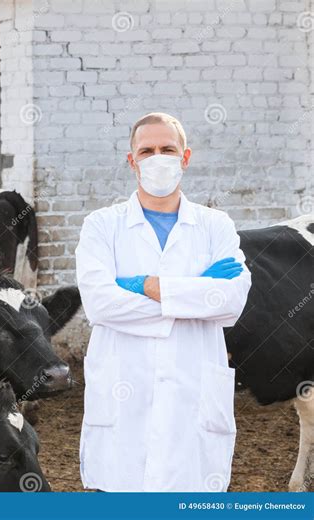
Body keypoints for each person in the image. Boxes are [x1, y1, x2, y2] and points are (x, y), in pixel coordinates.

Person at [75, 112, 252, 492]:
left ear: (185, 157)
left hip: (194, 405)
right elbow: (100, 304)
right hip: (123, 408)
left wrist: (148, 286)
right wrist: (196, 294)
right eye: (147, 150)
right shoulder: (102, 226)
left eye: (168, 149)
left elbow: (232, 301)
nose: (158, 158)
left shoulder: (215, 225)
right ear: (132, 160)